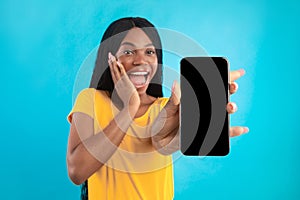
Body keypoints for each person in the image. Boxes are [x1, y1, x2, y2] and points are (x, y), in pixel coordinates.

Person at [66, 17, 248, 200]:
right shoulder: (91, 100)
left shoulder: (166, 108)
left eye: (149, 52)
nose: (140, 60)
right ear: (110, 58)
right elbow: (77, 172)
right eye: (128, 51)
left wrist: (208, 108)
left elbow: (172, 138)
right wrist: (129, 109)